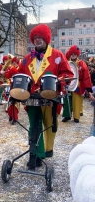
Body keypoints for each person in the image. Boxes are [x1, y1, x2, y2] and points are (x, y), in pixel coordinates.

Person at [18, 24, 74, 169]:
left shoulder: (57, 55)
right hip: (32, 98)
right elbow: (20, 74)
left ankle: (47, 150)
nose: (37, 40)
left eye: (40, 37)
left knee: (49, 125)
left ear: (46, 38)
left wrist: (62, 79)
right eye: (35, 37)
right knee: (34, 125)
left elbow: (68, 73)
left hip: (50, 97)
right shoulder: (26, 59)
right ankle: (37, 154)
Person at [62, 45, 92, 123]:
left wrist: (88, 87)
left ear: (77, 54)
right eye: (72, 54)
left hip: (78, 85)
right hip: (67, 84)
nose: (73, 55)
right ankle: (67, 115)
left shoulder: (82, 63)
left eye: (75, 54)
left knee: (77, 101)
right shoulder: (66, 63)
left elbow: (86, 76)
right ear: (70, 54)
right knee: (67, 100)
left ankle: (76, 117)